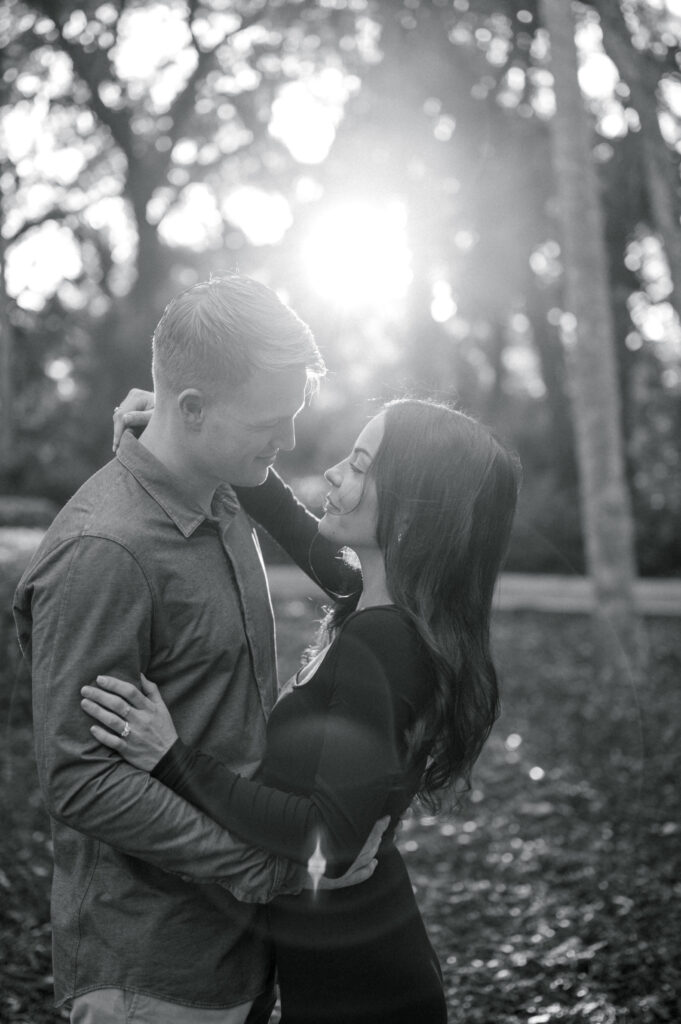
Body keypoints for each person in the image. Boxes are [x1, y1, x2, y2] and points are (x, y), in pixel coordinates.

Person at [82, 392, 522, 1023]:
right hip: (340, 965)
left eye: (363, 464)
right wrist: (193, 432)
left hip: (365, 991)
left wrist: (171, 759)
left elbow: (333, 840)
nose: (339, 472)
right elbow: (285, 516)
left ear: (413, 510)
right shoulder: (370, 601)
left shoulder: (389, 640)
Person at [13, 274, 382, 1024]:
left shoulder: (222, 487)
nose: (286, 443)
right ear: (191, 409)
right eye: (269, 423)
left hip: (239, 950)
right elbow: (80, 779)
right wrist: (258, 868)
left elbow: (341, 575)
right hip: (150, 975)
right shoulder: (103, 553)